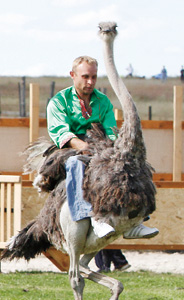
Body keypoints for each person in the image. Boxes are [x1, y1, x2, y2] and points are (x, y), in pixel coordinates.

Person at [46, 55, 158, 240]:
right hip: (69, 147)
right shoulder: (59, 102)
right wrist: (84, 146)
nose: (90, 82)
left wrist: (116, 150)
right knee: (76, 162)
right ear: (73, 75)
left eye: (93, 77)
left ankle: (135, 221)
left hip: (100, 144)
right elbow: (60, 132)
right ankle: (92, 217)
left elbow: (111, 131)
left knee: (130, 163)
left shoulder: (103, 101)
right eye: (85, 77)